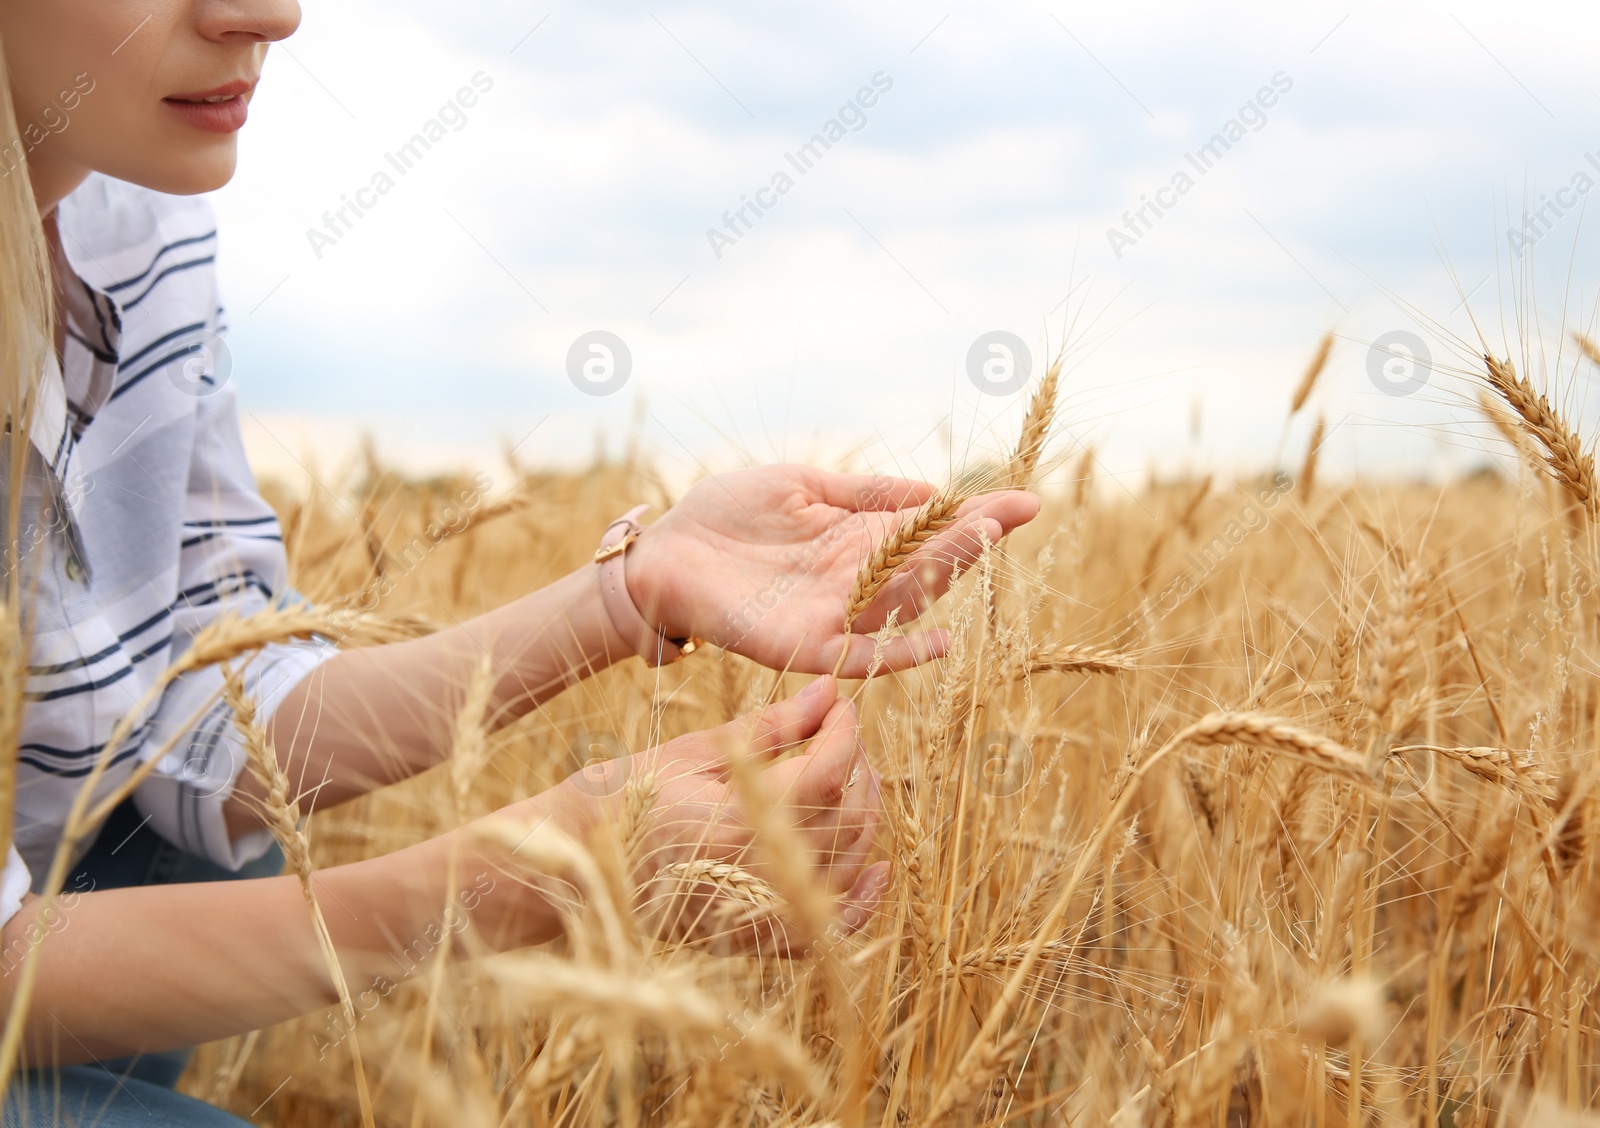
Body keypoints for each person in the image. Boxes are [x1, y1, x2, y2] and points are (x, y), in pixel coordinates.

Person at [0, 1, 1040, 1122]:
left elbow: (213, 714)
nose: (271, 14)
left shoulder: (138, 219)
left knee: (197, 825)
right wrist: (534, 874)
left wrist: (636, 589)